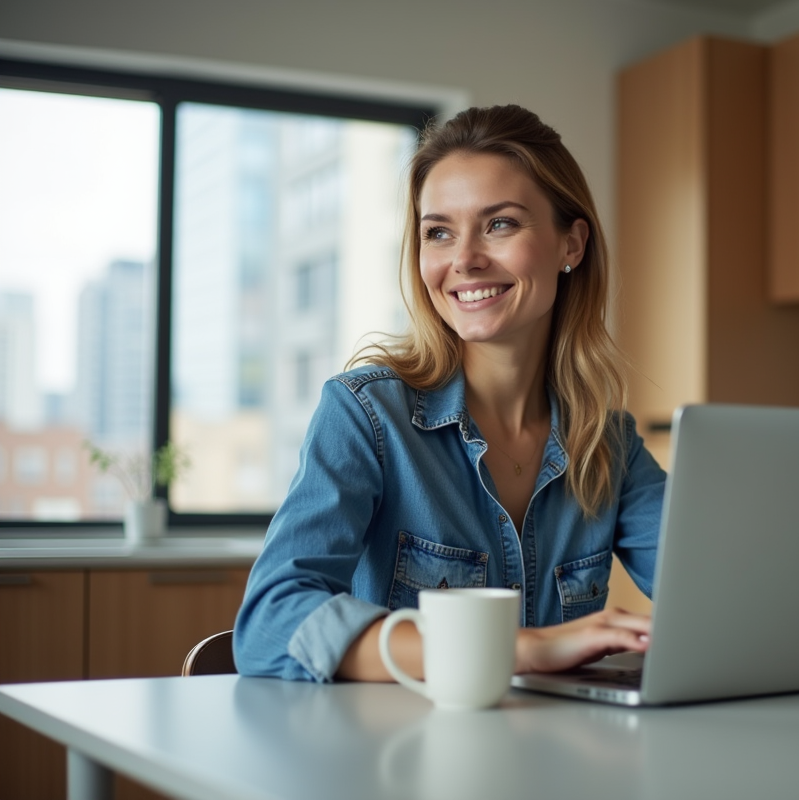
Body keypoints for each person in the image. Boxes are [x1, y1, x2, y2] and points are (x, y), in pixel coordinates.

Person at [234, 105, 666, 682]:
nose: (463, 259)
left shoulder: (608, 443)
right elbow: (269, 624)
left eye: (500, 224)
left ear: (572, 245)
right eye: (439, 232)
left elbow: (720, 599)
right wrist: (517, 649)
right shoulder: (366, 415)